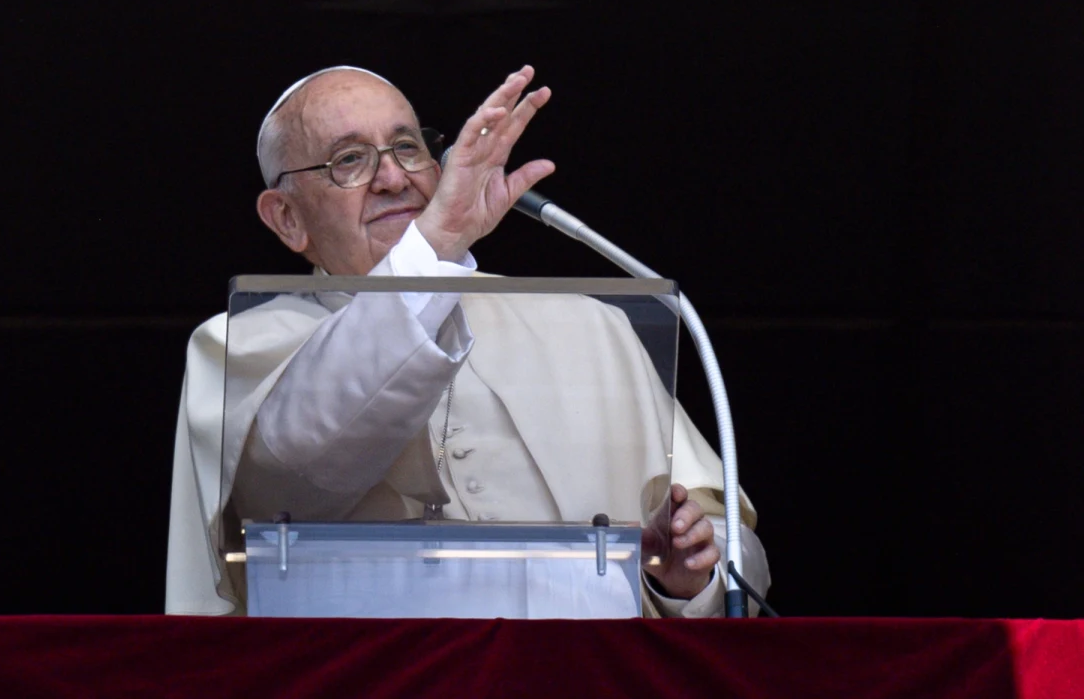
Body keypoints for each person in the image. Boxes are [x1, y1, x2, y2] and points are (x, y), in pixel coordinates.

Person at [166, 65, 770, 617]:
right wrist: (435, 243)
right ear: (287, 218)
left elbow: (735, 550)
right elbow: (304, 463)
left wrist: (691, 572)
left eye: (407, 147)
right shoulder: (235, 346)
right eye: (348, 160)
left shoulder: (590, 327)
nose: (393, 177)